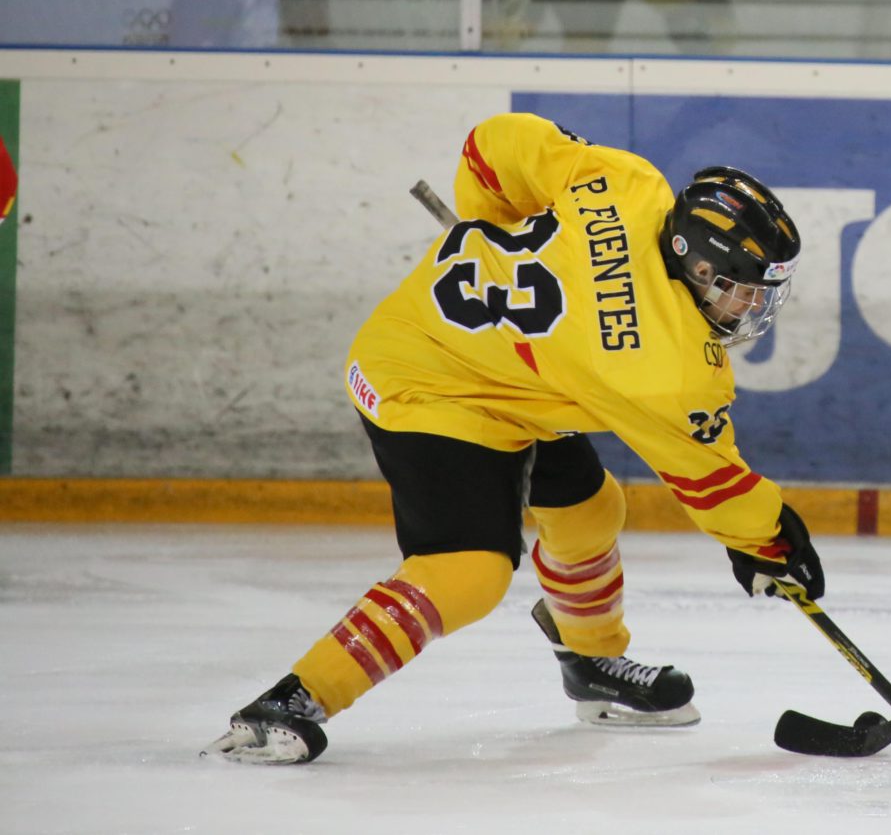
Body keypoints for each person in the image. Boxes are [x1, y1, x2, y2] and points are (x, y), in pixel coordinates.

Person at [203, 114, 824, 764]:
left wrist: (489, 222)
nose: (751, 310)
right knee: (469, 569)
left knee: (589, 509)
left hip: (500, 361)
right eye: (741, 293)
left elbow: (494, 144)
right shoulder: (664, 369)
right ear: (693, 263)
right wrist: (767, 538)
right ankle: (295, 698)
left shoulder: (627, 184)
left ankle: (593, 663)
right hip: (425, 381)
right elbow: (711, 482)